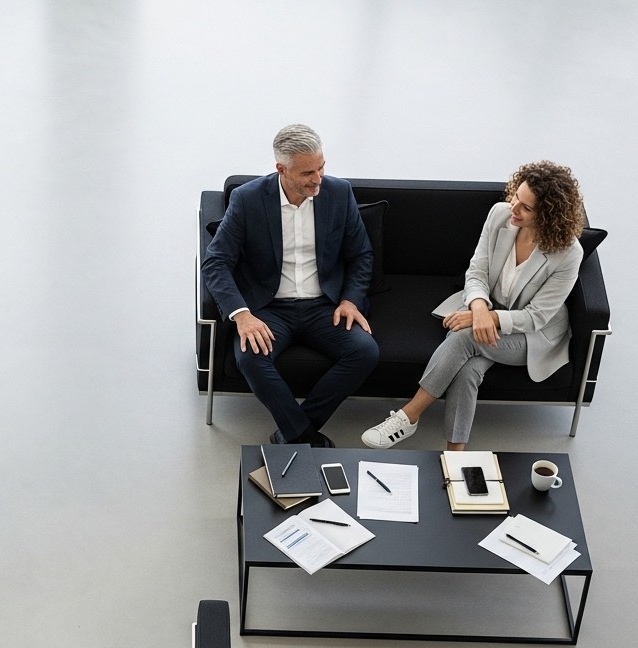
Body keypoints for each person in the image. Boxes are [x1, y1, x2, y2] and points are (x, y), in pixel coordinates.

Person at [361, 160, 586, 451]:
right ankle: (455, 457)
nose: (514, 207)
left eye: (526, 207)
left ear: (549, 215)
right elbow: (477, 270)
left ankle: (409, 416)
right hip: (487, 311)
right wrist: (478, 309)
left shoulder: (568, 253)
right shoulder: (500, 215)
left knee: (464, 337)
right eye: (516, 197)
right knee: (467, 370)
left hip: (531, 335)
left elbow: (536, 317)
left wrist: (485, 318)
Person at [201, 124, 379, 447]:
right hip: (269, 308)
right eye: (308, 172)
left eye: (321, 167)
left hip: (324, 307)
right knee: (250, 358)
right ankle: (304, 436)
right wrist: (242, 315)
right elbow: (216, 262)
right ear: (281, 169)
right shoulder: (247, 199)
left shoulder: (339, 193)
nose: (318, 178)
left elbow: (361, 254)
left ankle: (292, 433)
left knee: (365, 351)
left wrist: (350, 300)